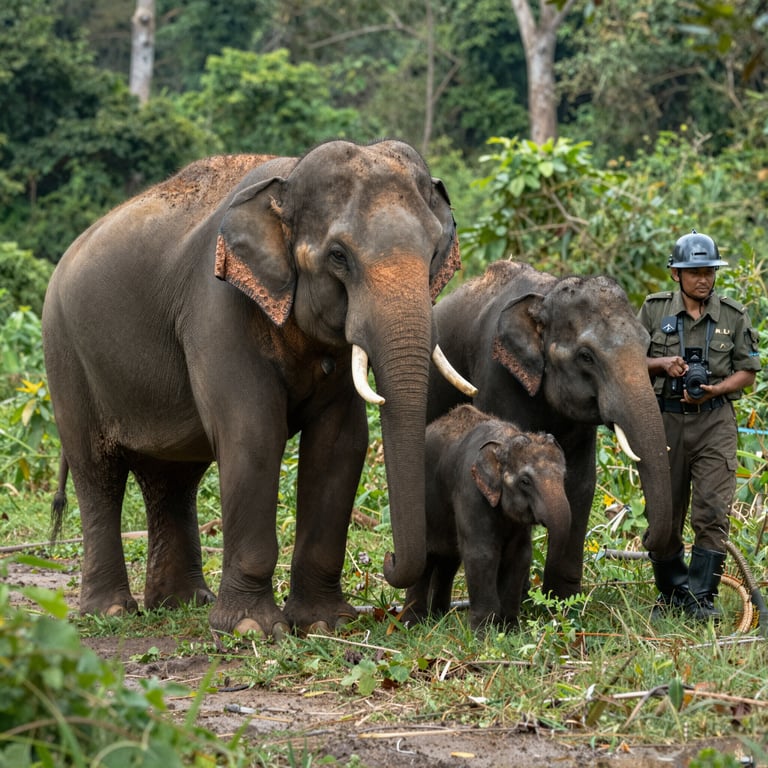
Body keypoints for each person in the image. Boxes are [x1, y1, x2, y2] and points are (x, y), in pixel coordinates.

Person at [638, 229, 761, 621]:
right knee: (663, 514)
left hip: (714, 422)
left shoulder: (732, 315)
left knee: (712, 512)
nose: (703, 279)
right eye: (694, 272)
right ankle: (673, 594)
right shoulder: (654, 310)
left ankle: (701, 598)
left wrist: (715, 389)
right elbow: (629, 362)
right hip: (665, 422)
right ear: (676, 273)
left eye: (709, 271)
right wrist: (661, 364)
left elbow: (748, 371)